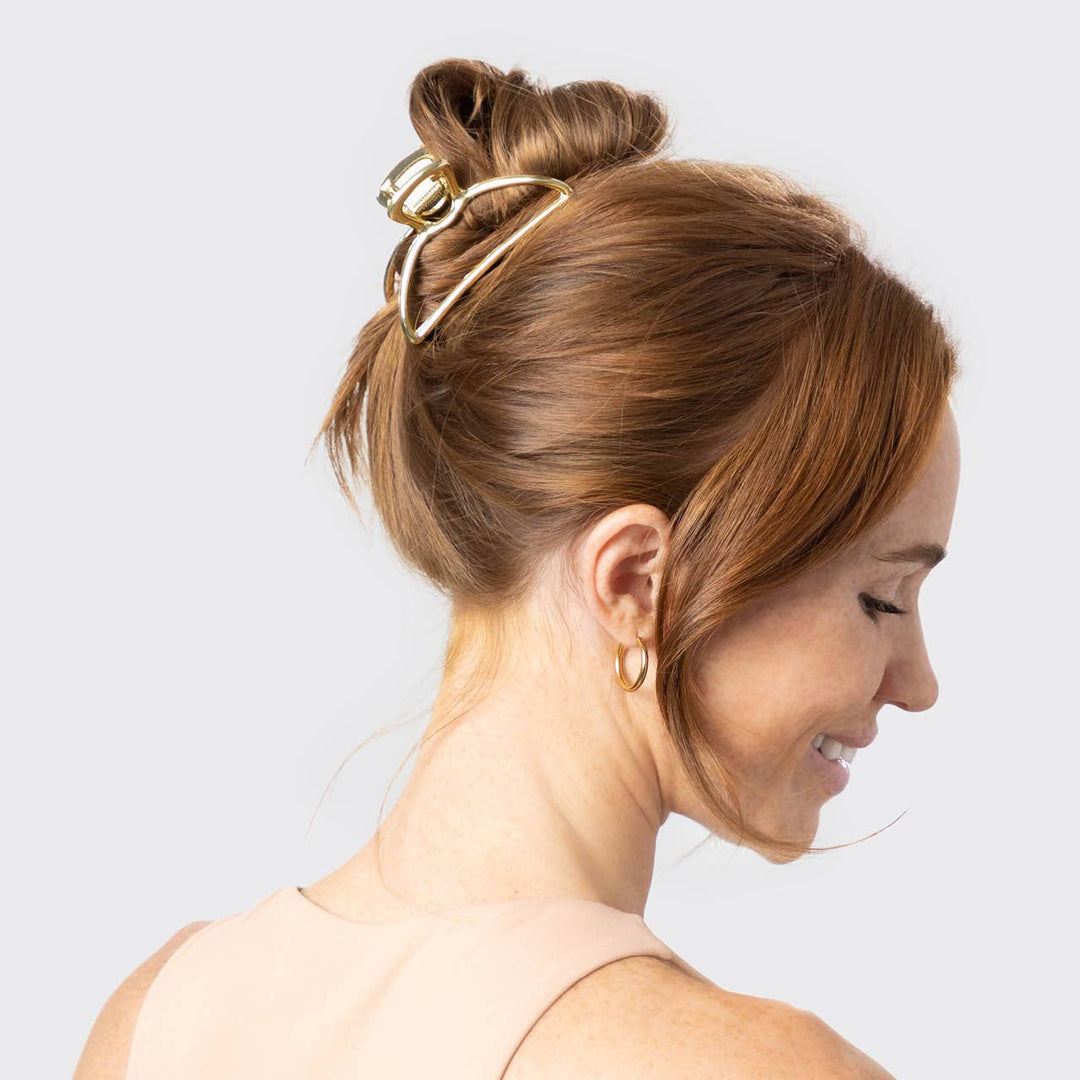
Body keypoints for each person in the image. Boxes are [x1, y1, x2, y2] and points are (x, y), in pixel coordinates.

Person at [74, 57, 960, 1080]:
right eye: (882, 599)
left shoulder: (153, 1016)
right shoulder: (754, 1067)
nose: (919, 684)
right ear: (636, 582)